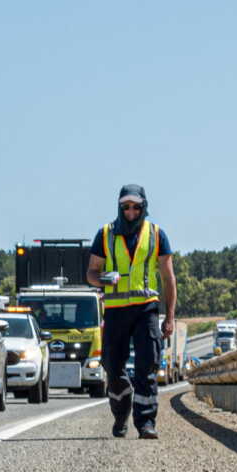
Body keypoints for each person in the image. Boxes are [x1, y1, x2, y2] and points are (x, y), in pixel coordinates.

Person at [86, 185, 177, 440]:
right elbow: (91, 273)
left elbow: (169, 279)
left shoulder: (157, 235)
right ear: (119, 207)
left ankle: (146, 422)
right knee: (113, 367)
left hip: (146, 308)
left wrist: (169, 317)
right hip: (115, 310)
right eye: (126, 206)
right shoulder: (104, 234)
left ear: (144, 206)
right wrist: (104, 279)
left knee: (147, 363)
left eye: (136, 206)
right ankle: (120, 413)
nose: (131, 211)